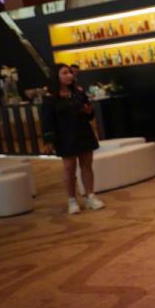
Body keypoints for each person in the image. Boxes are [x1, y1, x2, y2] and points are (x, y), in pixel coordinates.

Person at [41, 63, 105, 214]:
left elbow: (89, 114)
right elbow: (47, 120)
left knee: (87, 165)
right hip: (65, 136)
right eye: (64, 73)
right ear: (56, 76)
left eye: (70, 72)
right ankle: (72, 200)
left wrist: (89, 111)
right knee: (69, 168)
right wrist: (49, 139)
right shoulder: (50, 97)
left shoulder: (79, 92)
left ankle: (90, 196)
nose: (69, 75)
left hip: (83, 132)